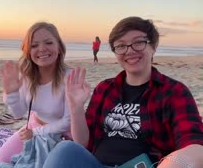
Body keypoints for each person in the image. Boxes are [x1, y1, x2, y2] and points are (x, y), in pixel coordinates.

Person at [43, 17, 203, 167]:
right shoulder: (105, 88)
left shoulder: (174, 92)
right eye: (121, 46)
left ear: (153, 46)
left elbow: (194, 143)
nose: (129, 51)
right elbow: (83, 144)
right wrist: (75, 106)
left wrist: (177, 162)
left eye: (138, 43)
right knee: (65, 149)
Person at [0, 22, 71, 165]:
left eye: (48, 42)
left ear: (59, 47)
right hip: (33, 126)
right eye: (34, 45)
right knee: (1, 159)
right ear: (28, 51)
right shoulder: (27, 75)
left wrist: (36, 133)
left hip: (63, 134)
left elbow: (67, 122)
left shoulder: (69, 76)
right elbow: (18, 113)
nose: (41, 49)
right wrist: (11, 93)